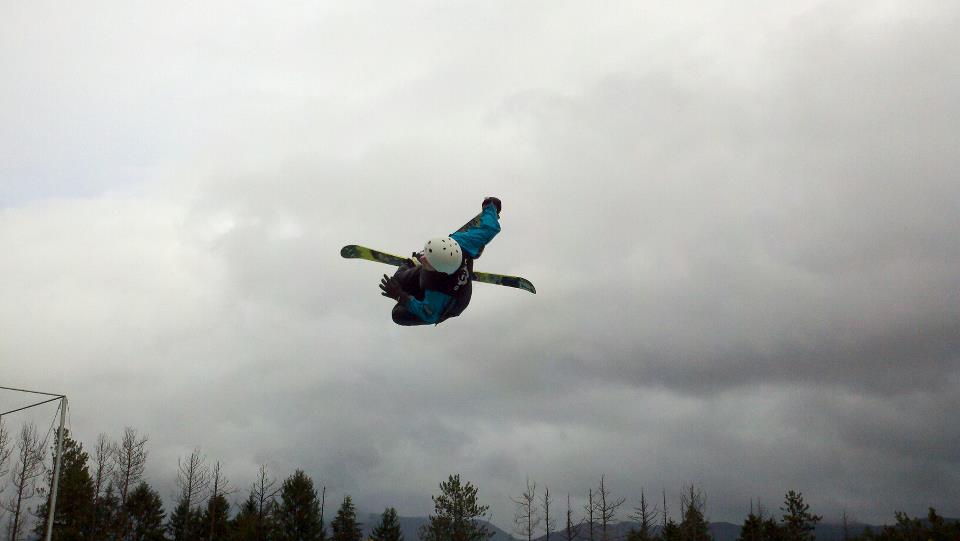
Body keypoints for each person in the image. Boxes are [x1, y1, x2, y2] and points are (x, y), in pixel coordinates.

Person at [379, 197, 502, 325]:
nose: (422, 258)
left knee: (397, 315)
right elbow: (489, 228)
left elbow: (429, 315)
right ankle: (474, 252)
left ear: (439, 271)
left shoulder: (438, 292)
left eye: (426, 260)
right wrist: (491, 206)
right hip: (447, 268)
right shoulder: (461, 242)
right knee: (398, 279)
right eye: (426, 255)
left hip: (449, 303)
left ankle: (414, 296)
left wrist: (401, 296)